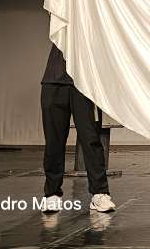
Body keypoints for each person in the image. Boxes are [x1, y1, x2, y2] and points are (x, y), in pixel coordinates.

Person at [39, 44, 116, 213]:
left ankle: (100, 193)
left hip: (84, 83)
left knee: (90, 138)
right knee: (53, 141)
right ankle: (52, 194)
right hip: (54, 80)